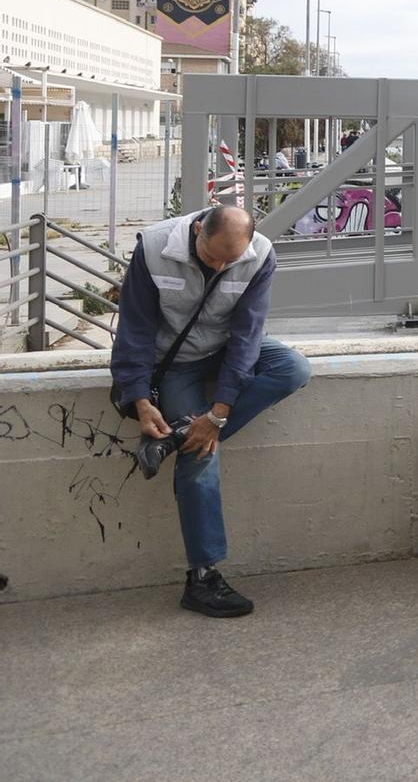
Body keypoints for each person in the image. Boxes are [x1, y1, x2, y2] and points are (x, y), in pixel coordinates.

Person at [110, 205, 309, 618]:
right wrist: (140, 399)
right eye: (211, 255)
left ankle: (174, 440)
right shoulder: (153, 246)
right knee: (202, 456)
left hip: (225, 354)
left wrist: (217, 414)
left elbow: (247, 336)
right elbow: (135, 327)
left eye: (228, 261)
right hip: (176, 363)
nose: (219, 265)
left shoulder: (260, 254)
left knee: (293, 367)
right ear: (198, 229)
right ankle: (202, 577)